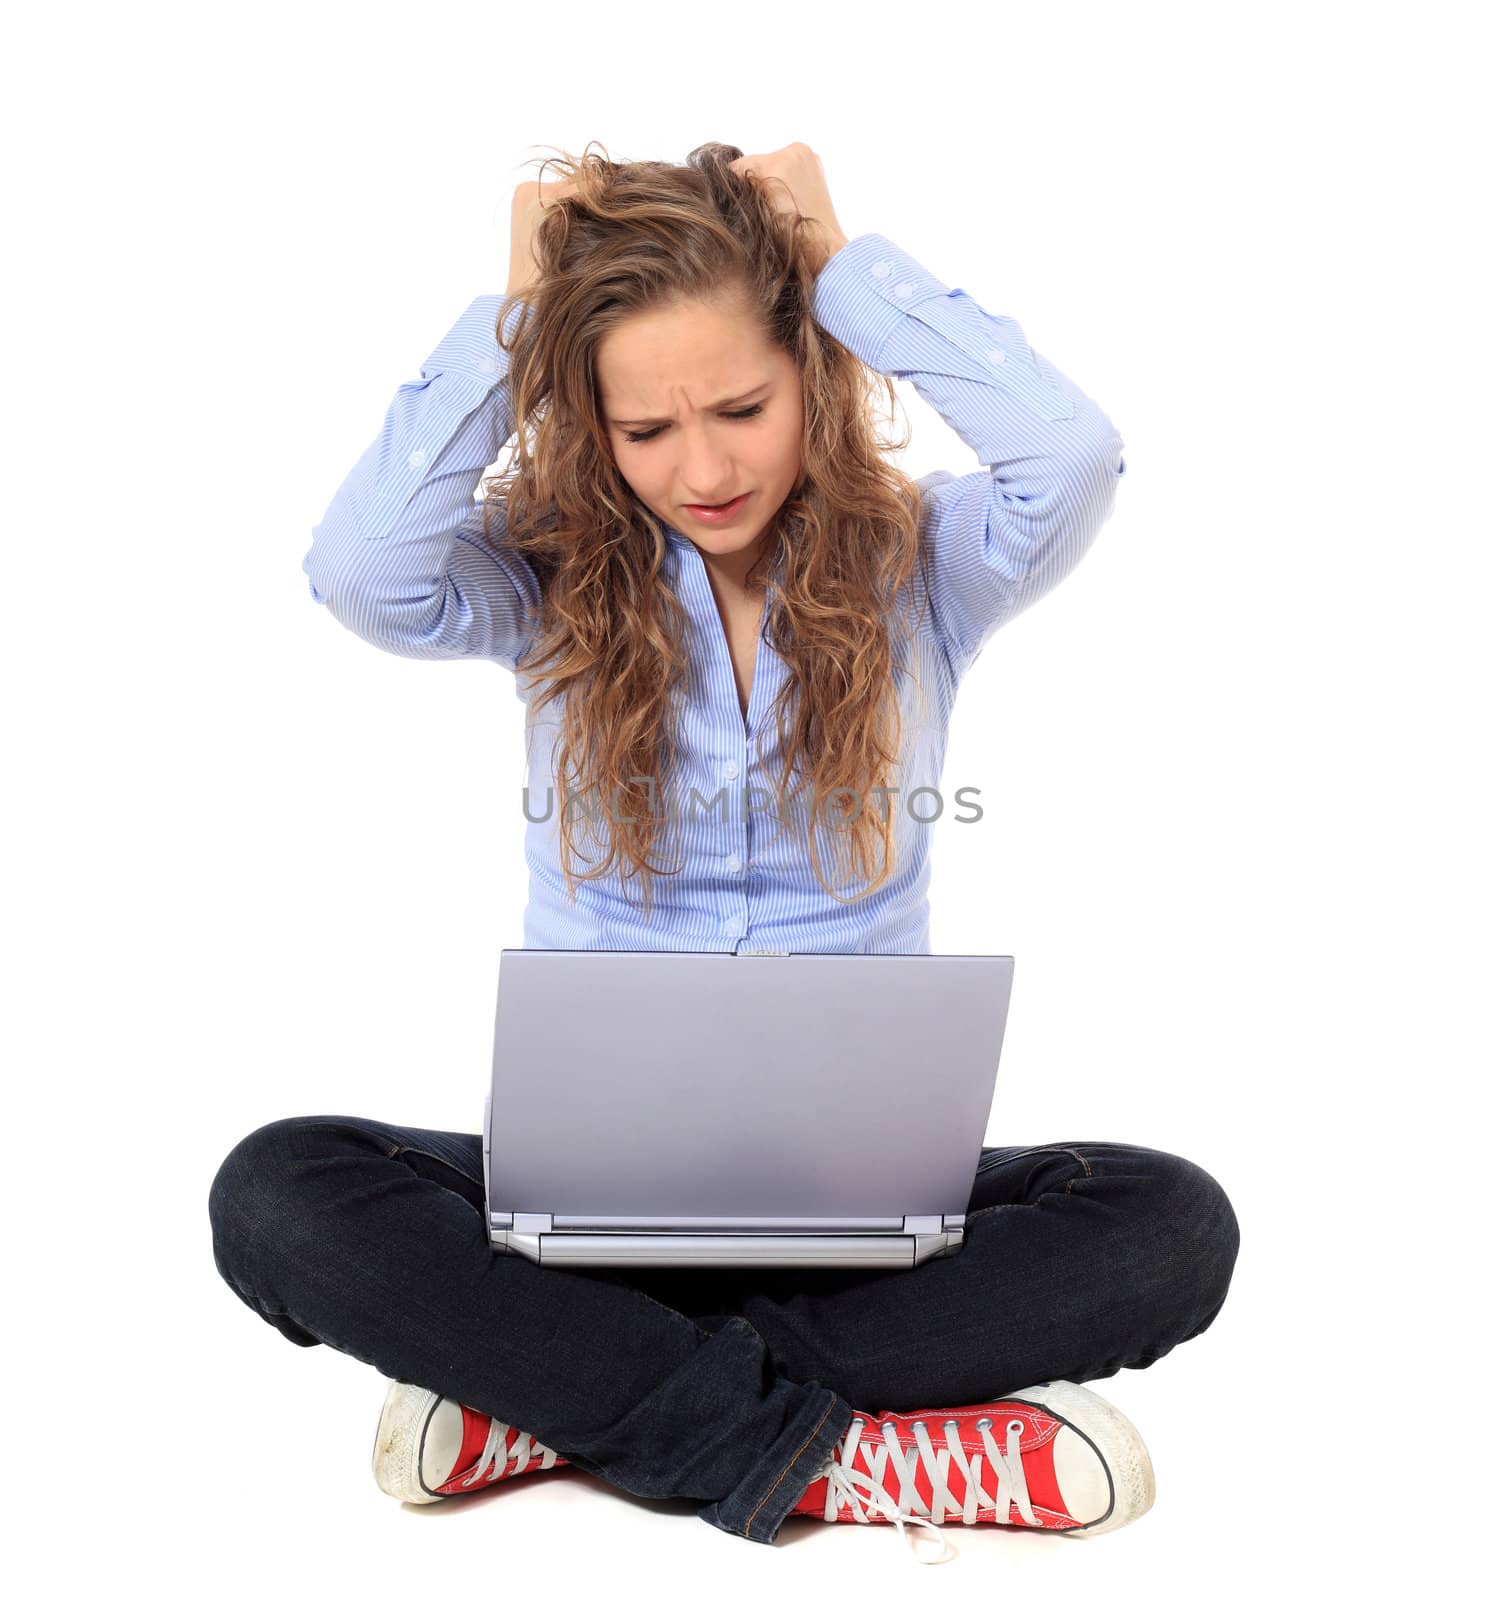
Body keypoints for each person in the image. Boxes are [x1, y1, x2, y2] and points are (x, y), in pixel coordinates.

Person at [208, 141, 1240, 1565]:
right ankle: (841, 1452)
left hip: (862, 1215)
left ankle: (557, 1399)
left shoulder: (927, 564)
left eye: (743, 407)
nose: (700, 468)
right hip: (585, 1212)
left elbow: (1068, 452)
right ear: (589, 427)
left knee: (1166, 1226)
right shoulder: (547, 576)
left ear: (815, 370)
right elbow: (359, 572)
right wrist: (519, 315)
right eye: (645, 431)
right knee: (279, 1195)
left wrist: (841, 268)